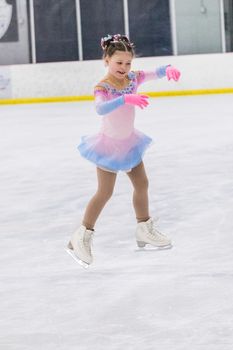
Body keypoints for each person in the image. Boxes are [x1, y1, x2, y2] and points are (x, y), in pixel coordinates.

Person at [66, 34, 181, 267]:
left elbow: (154, 72)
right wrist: (125, 99)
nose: (124, 67)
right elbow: (100, 109)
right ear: (106, 60)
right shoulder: (103, 86)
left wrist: (169, 68)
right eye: (119, 62)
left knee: (142, 184)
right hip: (108, 146)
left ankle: (143, 228)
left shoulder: (133, 78)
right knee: (105, 192)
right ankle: (81, 235)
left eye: (128, 63)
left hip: (130, 143)